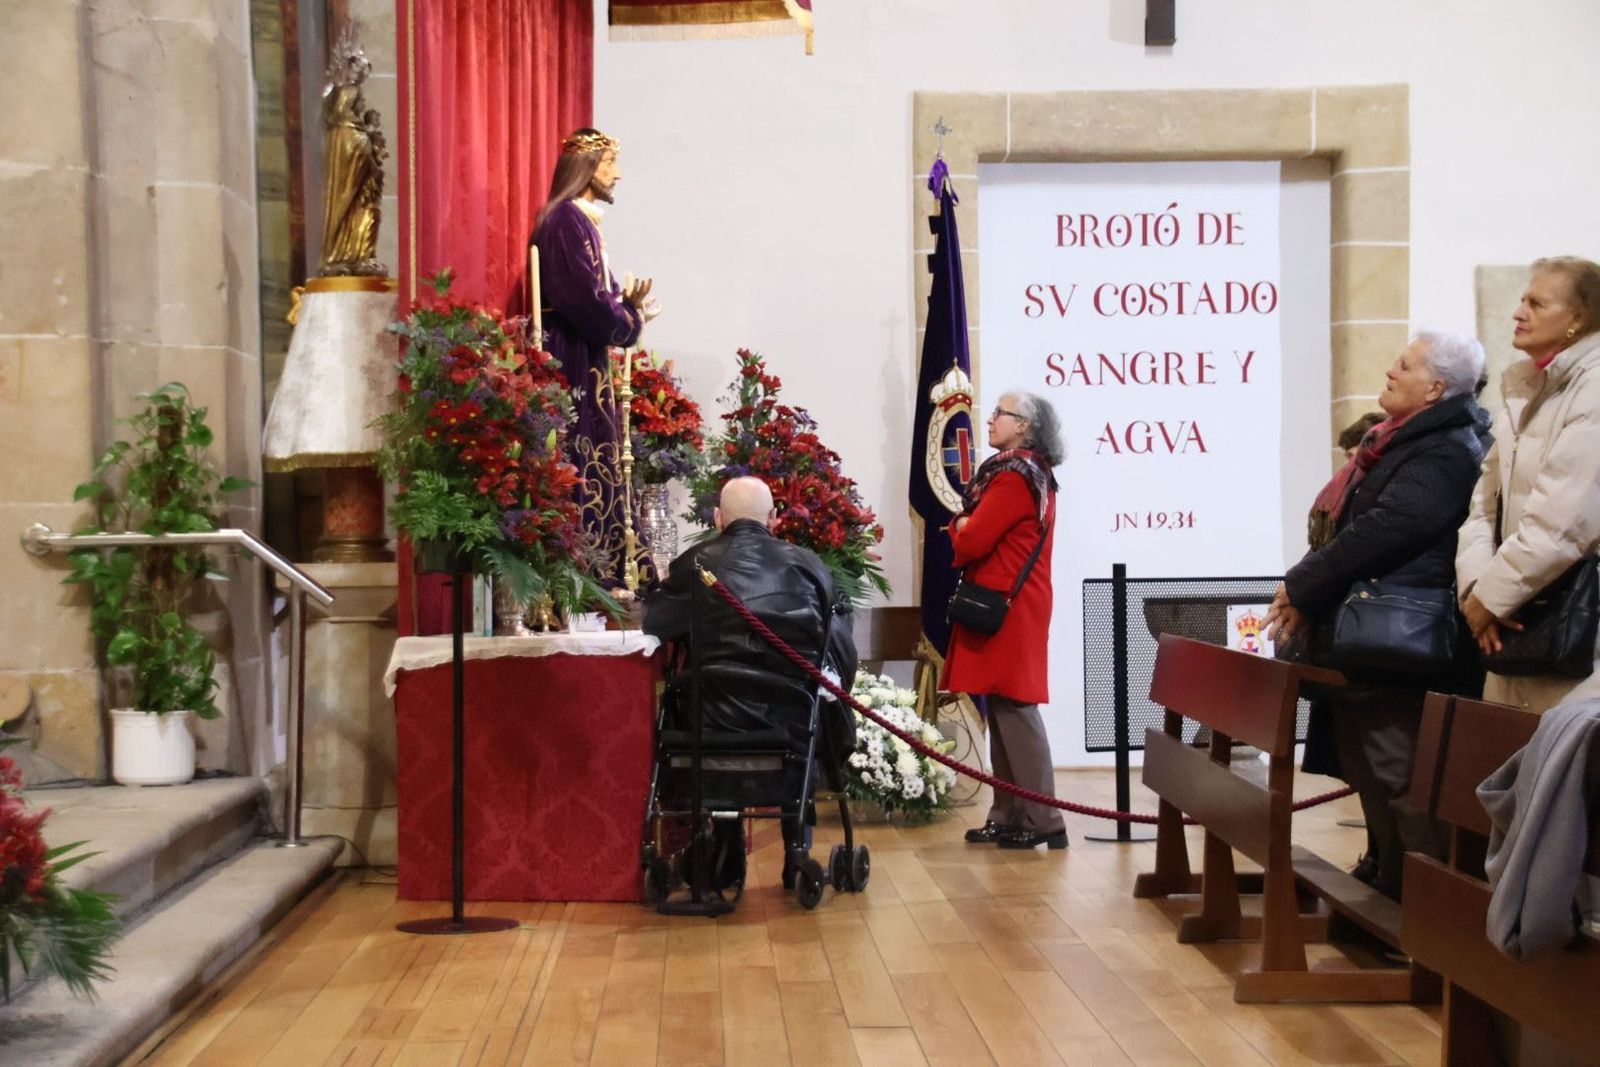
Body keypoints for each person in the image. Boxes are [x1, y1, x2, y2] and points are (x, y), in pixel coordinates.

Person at [1267, 331, 1488, 898]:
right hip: (1370, 638)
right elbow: (1351, 531)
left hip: (1401, 641)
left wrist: (1302, 583)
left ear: (1436, 387)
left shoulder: (1445, 448)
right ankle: (1391, 889)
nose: (1390, 371)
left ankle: (1431, 911)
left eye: (1405, 365)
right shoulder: (1397, 441)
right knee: (1372, 770)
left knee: (1402, 775)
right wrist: (1306, 584)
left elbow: (1391, 527)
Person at [644, 477, 858, 879]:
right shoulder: (808, 567)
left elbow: (655, 623)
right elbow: (839, 650)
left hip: (708, 726)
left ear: (717, 518)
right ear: (774, 518)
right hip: (789, 728)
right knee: (816, 709)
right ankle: (797, 851)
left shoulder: (695, 564)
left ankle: (724, 846)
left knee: (697, 693)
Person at [1458, 256, 1600, 713]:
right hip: (1509, 622)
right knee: (1500, 774)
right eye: (1521, 300)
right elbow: (1483, 506)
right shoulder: (1523, 390)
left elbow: (1563, 521)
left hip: (1576, 629)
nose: (1518, 313)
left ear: (1578, 319)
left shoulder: (1593, 388)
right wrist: (1477, 593)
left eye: (1536, 303)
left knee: (1561, 779)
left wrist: (1491, 598)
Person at [531, 128, 662, 581]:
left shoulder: (577, 220)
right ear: (587, 168)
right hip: (571, 361)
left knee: (599, 460)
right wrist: (628, 319)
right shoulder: (566, 221)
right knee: (584, 460)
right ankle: (590, 573)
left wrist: (628, 310)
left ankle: (605, 568)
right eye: (610, 164)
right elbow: (583, 300)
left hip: (585, 358)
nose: (618, 174)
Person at [948, 391, 1067, 850]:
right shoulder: (1020, 472)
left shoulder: (1016, 477)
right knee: (1002, 708)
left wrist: (960, 528)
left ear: (1025, 426)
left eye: (1002, 413)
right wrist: (965, 526)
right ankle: (1009, 814)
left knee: (1016, 708)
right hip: (1009, 603)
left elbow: (973, 538)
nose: (991, 419)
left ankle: (1046, 820)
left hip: (1009, 607)